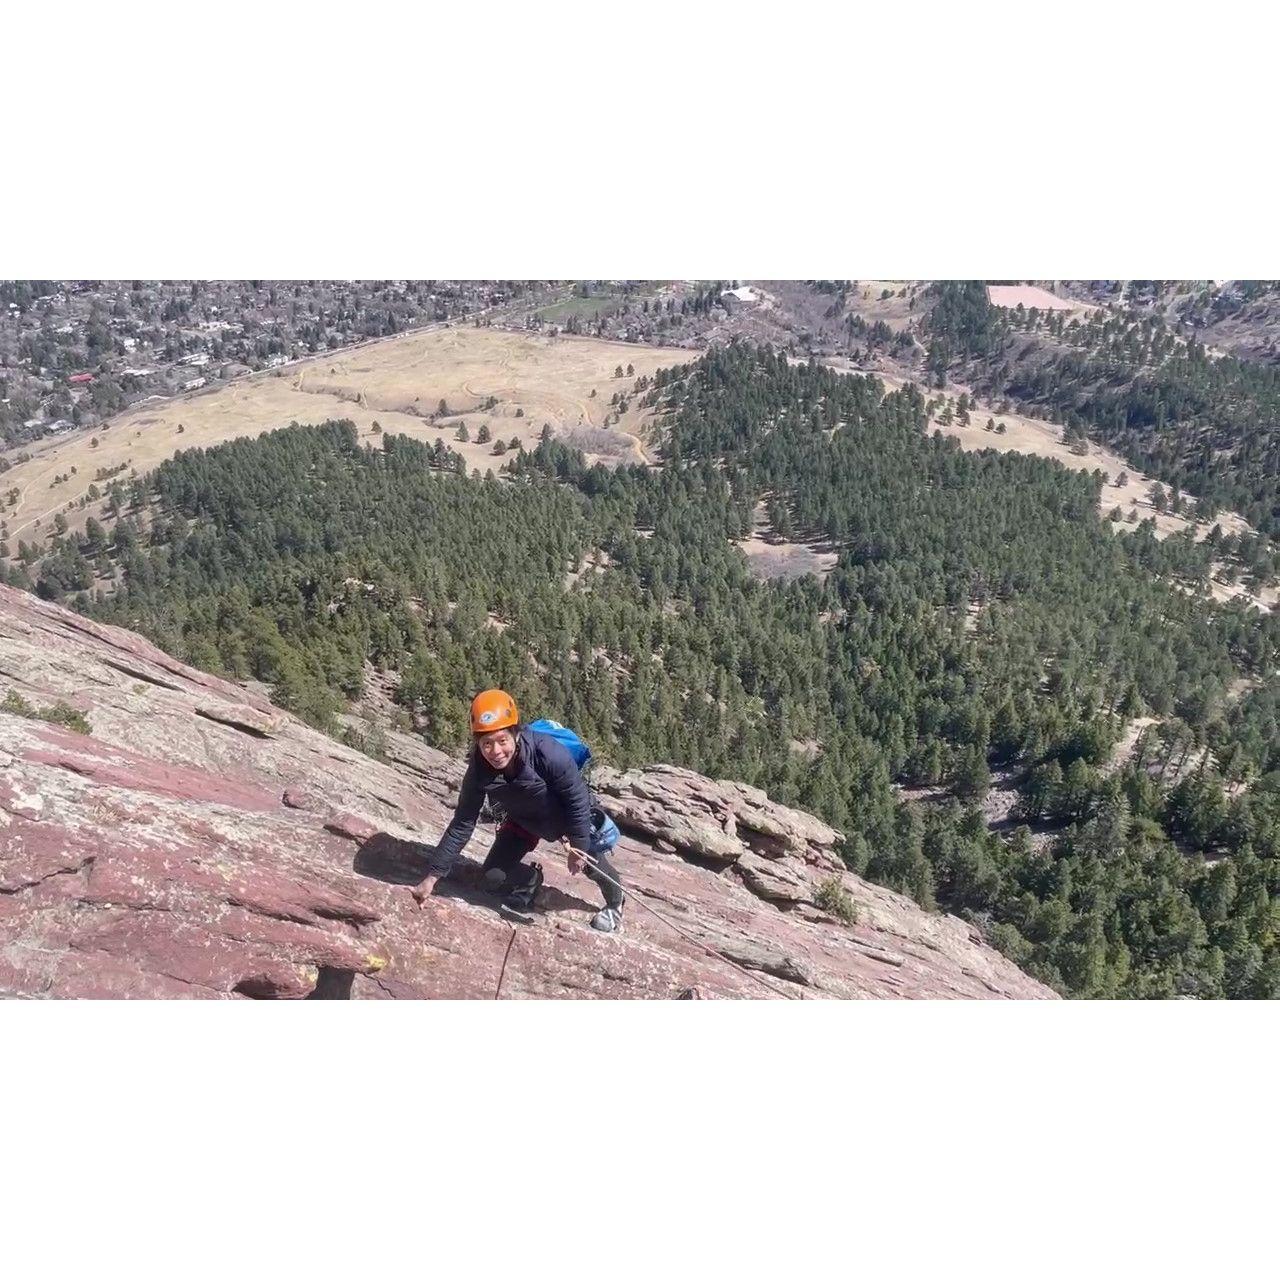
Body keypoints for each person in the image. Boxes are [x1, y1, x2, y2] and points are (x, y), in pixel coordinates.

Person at [413, 688, 626, 933]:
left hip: (564, 813)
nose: (495, 752)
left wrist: (578, 846)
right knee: (491, 877)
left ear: (515, 734)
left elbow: (576, 799)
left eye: (502, 740)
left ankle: (615, 902)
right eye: (486, 744)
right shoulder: (479, 771)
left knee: (590, 862)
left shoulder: (547, 752)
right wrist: (433, 876)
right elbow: (463, 822)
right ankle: (531, 880)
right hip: (523, 818)